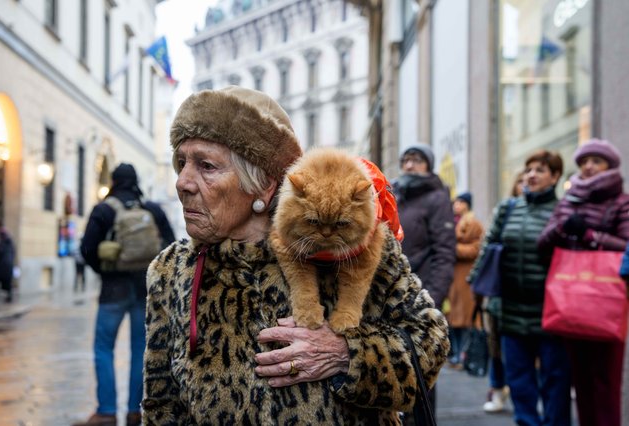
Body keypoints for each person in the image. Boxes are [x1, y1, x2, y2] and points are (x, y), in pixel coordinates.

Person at [142, 86, 450, 424]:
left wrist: (345, 355)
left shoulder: (353, 247)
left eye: (206, 166)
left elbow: (430, 343)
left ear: (263, 184)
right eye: (182, 162)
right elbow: (161, 407)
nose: (183, 182)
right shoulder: (170, 271)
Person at [469, 150, 572, 426]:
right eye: (529, 170)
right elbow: (488, 248)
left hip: (550, 312)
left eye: (540, 170)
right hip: (511, 310)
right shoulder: (508, 208)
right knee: (519, 380)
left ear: (555, 176)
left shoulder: (564, 211)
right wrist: (476, 284)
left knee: (555, 380)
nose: (532, 175)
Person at [75, 163, 175, 426]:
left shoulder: (104, 210)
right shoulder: (151, 210)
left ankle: (107, 411)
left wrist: (106, 269)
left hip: (112, 289)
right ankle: (134, 411)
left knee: (103, 347)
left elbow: (87, 249)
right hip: (145, 289)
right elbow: (171, 245)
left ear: (114, 182)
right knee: (140, 350)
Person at [538, 139, 629, 426]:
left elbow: (626, 245)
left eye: (596, 161)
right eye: (584, 161)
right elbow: (543, 244)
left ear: (609, 166)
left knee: (605, 380)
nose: (588, 166)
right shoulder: (568, 200)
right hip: (571, 300)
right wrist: (564, 227)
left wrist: (590, 236)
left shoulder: (621, 201)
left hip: (605, 301)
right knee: (581, 380)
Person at [393, 144, 456, 309]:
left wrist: (431, 299)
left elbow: (444, 253)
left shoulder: (438, 198)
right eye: (405, 160)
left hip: (419, 294)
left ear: (428, 165)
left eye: (416, 160)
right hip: (391, 292)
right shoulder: (395, 195)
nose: (409, 165)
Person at [481, 170, 523, 413]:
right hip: (499, 292)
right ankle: (497, 389)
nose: (526, 183)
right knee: (495, 346)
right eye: (520, 179)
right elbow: (487, 247)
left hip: (528, 296)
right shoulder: (505, 211)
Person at [446, 192, 483, 369]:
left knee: (465, 319)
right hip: (453, 276)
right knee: (453, 318)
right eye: (456, 201)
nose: (457, 205)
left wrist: (454, 249)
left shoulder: (473, 223)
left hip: (465, 276)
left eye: (461, 202)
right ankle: (456, 354)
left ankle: (463, 355)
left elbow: (476, 249)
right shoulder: (451, 222)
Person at [0, 221, 15, 302]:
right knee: (6, 281)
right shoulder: (9, 241)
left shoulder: (2, 241)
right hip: (8, 265)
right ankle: (7, 295)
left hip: (4, 265)